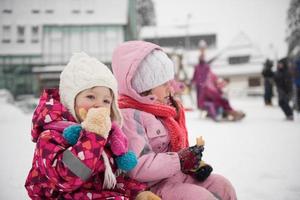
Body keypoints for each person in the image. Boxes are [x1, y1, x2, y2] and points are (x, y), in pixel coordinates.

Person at [25, 52, 161, 200]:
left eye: (106, 101)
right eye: (90, 97)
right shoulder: (51, 136)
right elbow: (68, 179)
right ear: (70, 101)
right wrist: (93, 135)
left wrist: (138, 193)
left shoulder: (107, 137)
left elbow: (111, 179)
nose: (98, 105)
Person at [112, 40, 237, 200]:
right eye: (164, 84)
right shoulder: (130, 116)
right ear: (143, 87)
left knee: (222, 185)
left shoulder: (165, 110)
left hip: (178, 176)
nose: (170, 89)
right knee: (200, 197)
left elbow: (178, 148)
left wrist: (194, 162)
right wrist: (179, 160)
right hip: (153, 186)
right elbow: (137, 166)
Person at [191, 41, 245, 121]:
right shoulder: (197, 67)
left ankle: (231, 112)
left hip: (206, 87)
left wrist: (217, 83)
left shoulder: (207, 68)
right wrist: (192, 82)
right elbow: (195, 76)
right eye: (201, 57)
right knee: (210, 100)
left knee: (220, 100)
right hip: (201, 87)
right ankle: (220, 114)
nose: (202, 59)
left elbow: (212, 76)